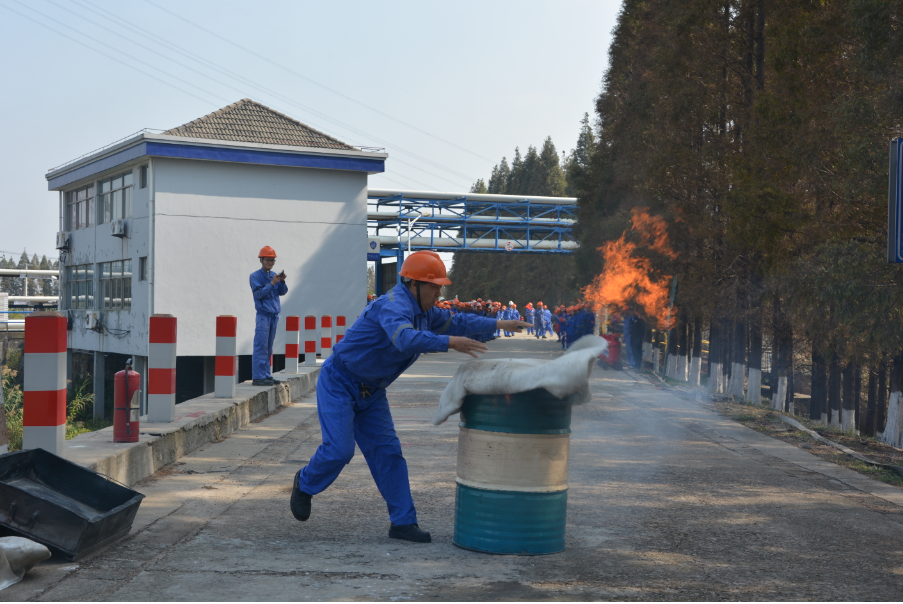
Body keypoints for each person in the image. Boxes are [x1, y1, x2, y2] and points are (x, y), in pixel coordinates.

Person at [290, 251, 530, 543]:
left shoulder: (426, 312)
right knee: (340, 450)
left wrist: (499, 325)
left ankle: (402, 523)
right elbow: (404, 338)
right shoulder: (392, 306)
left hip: (372, 391)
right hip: (340, 381)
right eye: (435, 286)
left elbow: (459, 322)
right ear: (414, 284)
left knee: (389, 452)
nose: (439, 292)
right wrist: (448, 343)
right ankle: (304, 483)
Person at [250, 246, 287, 386]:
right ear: (261, 260)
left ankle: (266, 374)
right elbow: (259, 294)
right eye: (267, 260)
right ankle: (258, 376)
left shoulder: (274, 275)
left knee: (269, 346)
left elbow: (282, 292)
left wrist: (281, 281)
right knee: (261, 345)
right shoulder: (255, 276)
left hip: (274, 315)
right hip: (263, 315)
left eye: (272, 260)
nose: (270, 262)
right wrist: (272, 284)